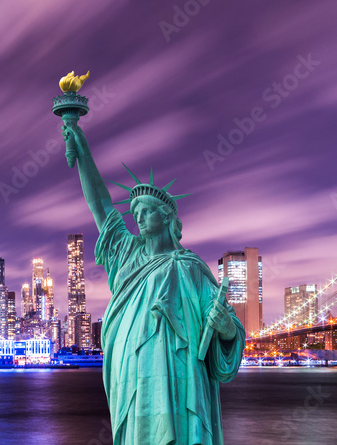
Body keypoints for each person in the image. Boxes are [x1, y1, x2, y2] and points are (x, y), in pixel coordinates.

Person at [63, 121, 244, 444]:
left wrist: (227, 329)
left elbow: (226, 328)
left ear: (167, 219)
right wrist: (83, 152)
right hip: (135, 375)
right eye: (136, 213)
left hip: (181, 378)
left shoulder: (190, 269)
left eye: (147, 212)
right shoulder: (127, 254)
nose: (139, 218)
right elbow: (101, 207)